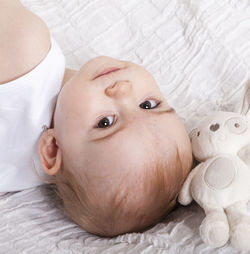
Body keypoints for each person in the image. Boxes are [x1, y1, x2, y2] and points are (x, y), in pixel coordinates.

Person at [0, 0, 193, 237]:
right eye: (148, 105)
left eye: (106, 123)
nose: (122, 89)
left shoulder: (24, 53)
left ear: (53, 149)